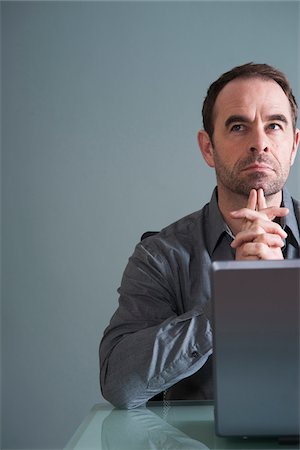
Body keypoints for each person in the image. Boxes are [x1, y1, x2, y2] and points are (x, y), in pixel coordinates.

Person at [99, 62, 300, 409]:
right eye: (239, 126)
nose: (259, 143)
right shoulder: (160, 256)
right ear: (208, 148)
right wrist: (229, 302)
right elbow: (120, 383)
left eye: (274, 126)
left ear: (294, 145)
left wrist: (279, 292)